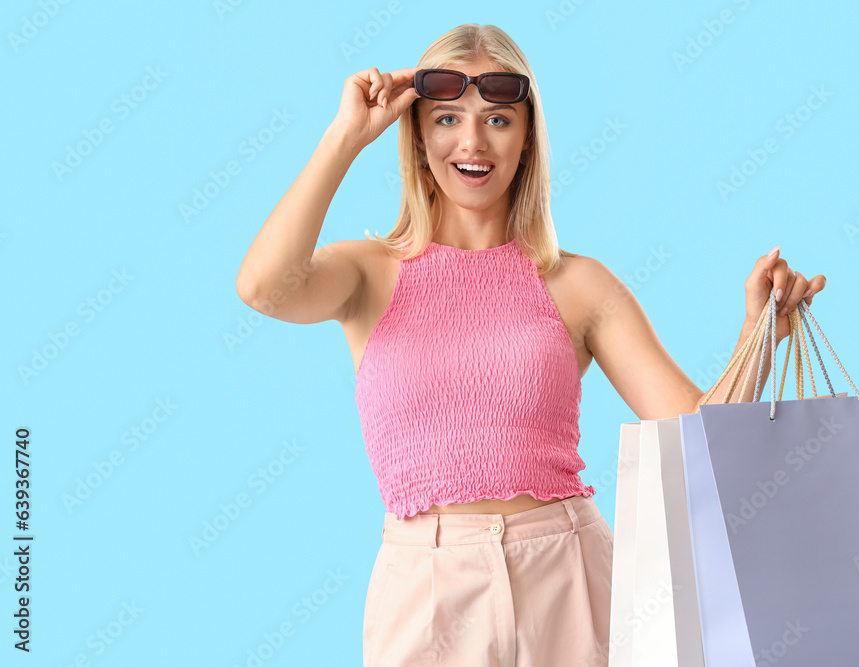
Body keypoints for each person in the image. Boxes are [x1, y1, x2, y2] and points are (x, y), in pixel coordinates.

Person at [235, 22, 824, 667]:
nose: (471, 142)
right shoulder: (369, 272)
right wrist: (345, 138)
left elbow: (692, 434)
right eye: (447, 119)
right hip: (426, 583)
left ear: (528, 137)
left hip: (567, 571)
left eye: (497, 120)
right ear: (417, 135)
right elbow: (263, 287)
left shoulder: (578, 283)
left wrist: (758, 335)